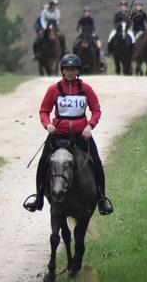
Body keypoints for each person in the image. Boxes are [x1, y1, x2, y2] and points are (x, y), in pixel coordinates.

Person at [23, 54, 114, 216]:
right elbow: (44, 111)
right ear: (62, 71)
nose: (69, 72)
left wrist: (90, 125)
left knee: (97, 163)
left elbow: (96, 110)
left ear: (78, 71)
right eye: (66, 69)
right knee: (43, 162)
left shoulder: (86, 89)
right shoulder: (54, 89)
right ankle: (38, 197)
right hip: (58, 136)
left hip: (81, 137)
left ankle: (102, 198)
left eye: (73, 69)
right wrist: (48, 124)